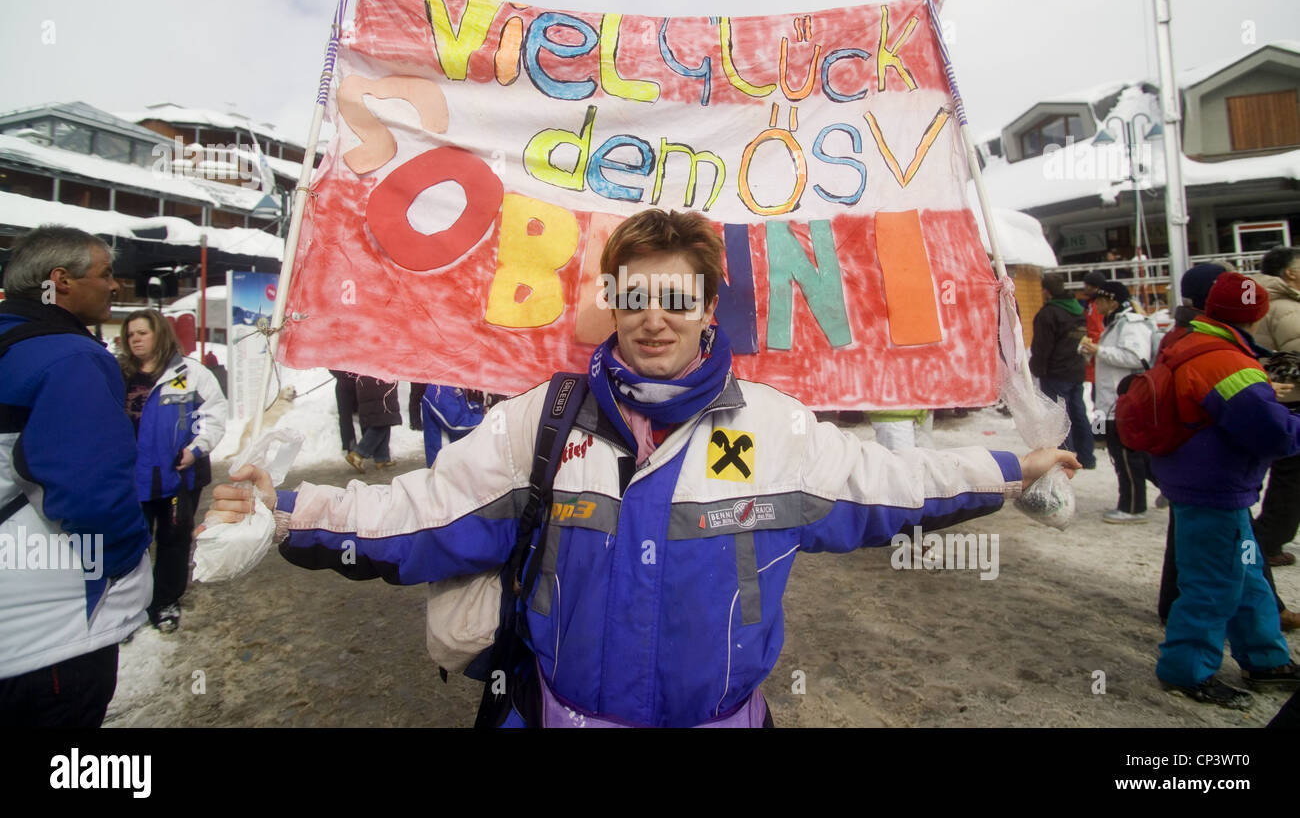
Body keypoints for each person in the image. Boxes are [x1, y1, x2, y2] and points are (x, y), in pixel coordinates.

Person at [205, 209, 1078, 728]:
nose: (652, 320)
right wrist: (284, 507)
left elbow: (893, 485)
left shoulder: (777, 430)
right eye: (632, 296)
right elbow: (421, 512)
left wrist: (1013, 464)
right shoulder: (540, 424)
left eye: (676, 300)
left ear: (708, 310)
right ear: (610, 303)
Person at [0, 226, 152, 726]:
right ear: (60, 281)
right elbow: (90, 490)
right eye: (105, 274)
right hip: (48, 633)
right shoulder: (70, 356)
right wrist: (128, 563)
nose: (115, 287)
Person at [1152, 271, 1300, 708]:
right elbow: (1270, 433)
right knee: (1212, 584)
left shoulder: (1192, 342)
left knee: (1248, 575)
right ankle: (1186, 671)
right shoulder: (1228, 360)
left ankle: (1265, 659)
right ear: (1259, 313)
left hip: (1205, 483)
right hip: (1212, 488)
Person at [118, 309, 227, 633]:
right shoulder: (118, 374)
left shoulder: (190, 373)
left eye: (142, 332)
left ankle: (165, 601)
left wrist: (196, 448)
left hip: (178, 476)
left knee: (173, 539)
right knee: (131, 542)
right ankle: (128, 608)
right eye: (131, 334)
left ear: (160, 334)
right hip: (131, 478)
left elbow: (214, 413)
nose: (135, 339)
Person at [1079, 281, 1155, 523]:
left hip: (1125, 403)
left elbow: (1136, 356)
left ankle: (1133, 507)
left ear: (1112, 301)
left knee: (1127, 457)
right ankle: (1171, 490)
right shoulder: (1115, 323)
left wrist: (1099, 350)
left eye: (1099, 301)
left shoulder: (1131, 324)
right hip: (1112, 403)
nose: (1096, 306)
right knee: (1130, 455)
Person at [1253, 246, 1300, 568]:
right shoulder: (1286, 308)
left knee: (1284, 473)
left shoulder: (1263, 302)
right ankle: (1267, 540)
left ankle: (1265, 537)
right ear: (1289, 273)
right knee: (1291, 475)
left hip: (1274, 399)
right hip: (1292, 399)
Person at [1030, 272, 1095, 469]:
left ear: (1047, 291)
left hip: (1056, 372)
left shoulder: (1048, 314)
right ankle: (1087, 456)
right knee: (1079, 413)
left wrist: (1036, 368)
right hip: (1076, 369)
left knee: (1059, 418)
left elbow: (1042, 347)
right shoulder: (1078, 310)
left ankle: (1066, 458)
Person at [420, 385, 487, 467]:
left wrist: (477, 405)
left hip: (459, 455)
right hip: (445, 459)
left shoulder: (456, 385)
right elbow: (454, 424)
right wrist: (485, 419)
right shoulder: (438, 388)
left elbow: (466, 412)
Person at [348, 375, 400, 472]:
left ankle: (382, 458)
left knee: (382, 420)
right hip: (380, 384)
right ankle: (358, 454)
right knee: (382, 421)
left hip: (369, 384)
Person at [329, 369, 359, 455]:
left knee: (345, 417)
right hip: (353, 383)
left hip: (345, 384)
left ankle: (352, 446)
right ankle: (353, 446)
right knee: (346, 417)